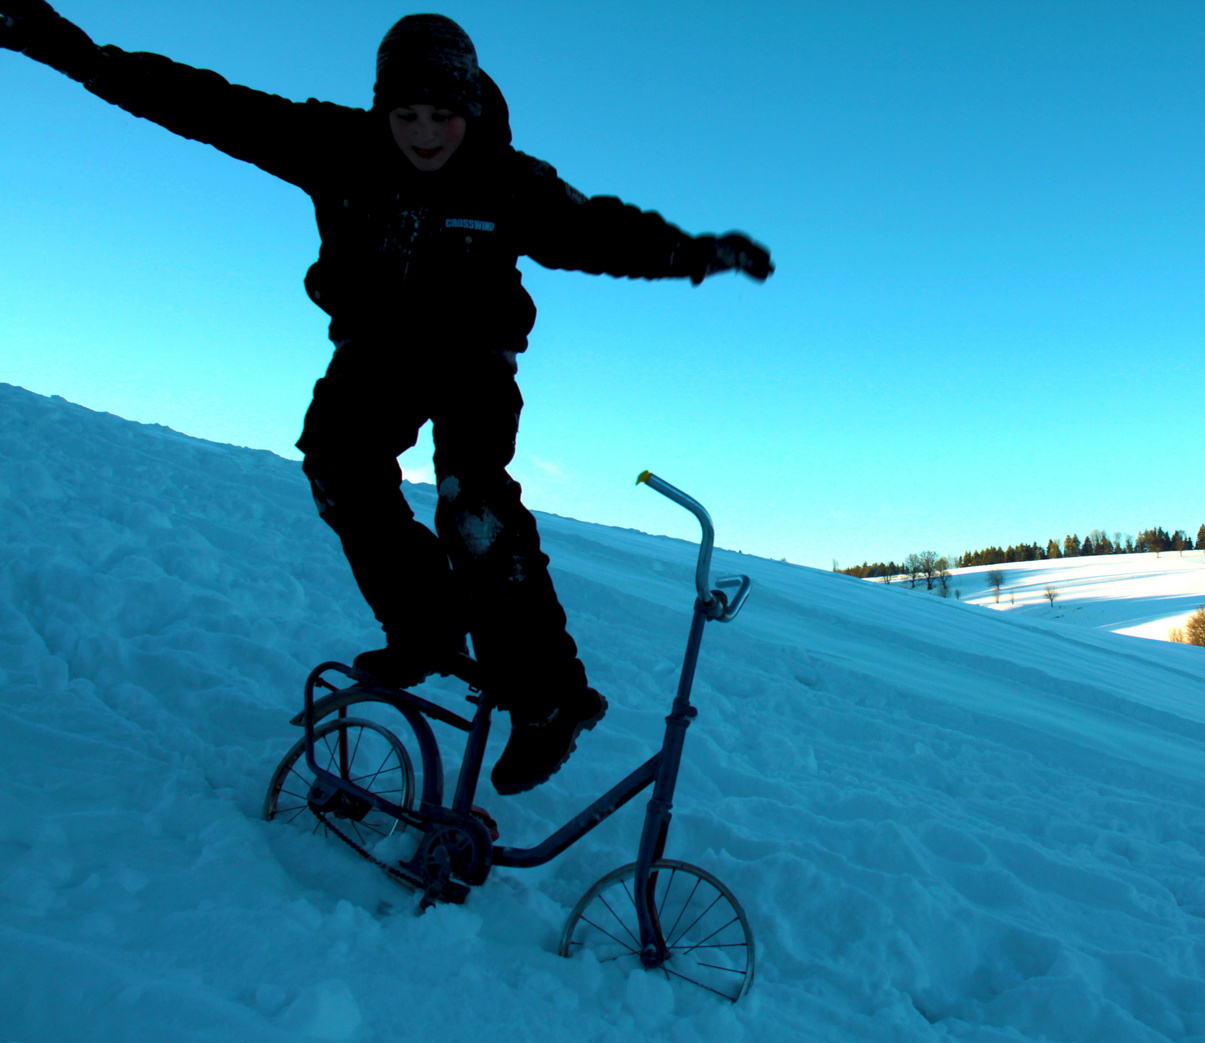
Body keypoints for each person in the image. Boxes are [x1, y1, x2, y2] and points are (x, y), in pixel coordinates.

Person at [0, 3, 774, 795]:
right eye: (406, 114)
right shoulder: (336, 146)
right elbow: (204, 105)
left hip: (473, 354)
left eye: (443, 115)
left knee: (472, 504)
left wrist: (696, 253)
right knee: (339, 466)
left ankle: (551, 697)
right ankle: (426, 626)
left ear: (469, 109)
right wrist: (67, 50)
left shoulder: (508, 180)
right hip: (376, 349)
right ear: (382, 109)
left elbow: (601, 232)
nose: (425, 133)